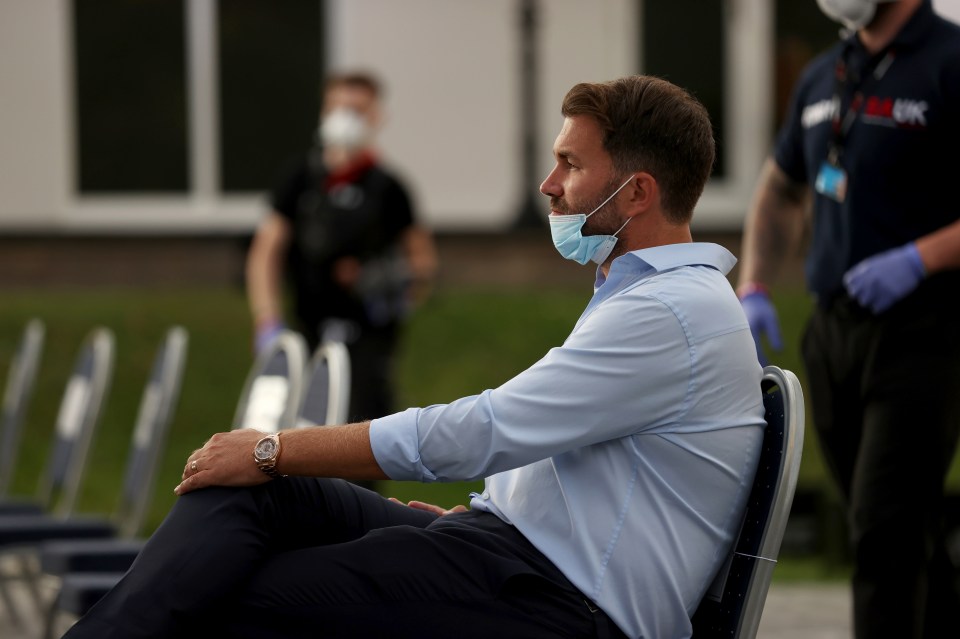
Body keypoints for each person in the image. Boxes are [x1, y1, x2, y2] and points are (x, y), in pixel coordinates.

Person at [64, 75, 765, 639]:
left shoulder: (668, 312)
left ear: (637, 191)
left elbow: (483, 429)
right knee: (249, 498)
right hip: (511, 550)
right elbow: (571, 450)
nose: (549, 185)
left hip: (563, 600)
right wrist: (491, 509)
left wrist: (274, 446)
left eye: (571, 164)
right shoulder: (644, 293)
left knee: (233, 585)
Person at [737, 1, 960, 637]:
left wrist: (920, 258)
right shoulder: (823, 74)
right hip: (833, 332)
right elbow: (779, 188)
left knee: (884, 528)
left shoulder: (949, 61)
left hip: (922, 328)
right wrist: (753, 284)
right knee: (894, 527)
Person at [246, 70, 438, 423]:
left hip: (366, 338)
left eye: (358, 110)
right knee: (292, 434)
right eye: (338, 108)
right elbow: (265, 251)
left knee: (357, 431)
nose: (345, 119)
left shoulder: (388, 188)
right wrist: (267, 320)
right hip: (306, 327)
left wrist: (388, 284)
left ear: (376, 116)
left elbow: (422, 261)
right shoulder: (300, 178)